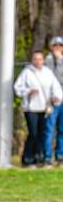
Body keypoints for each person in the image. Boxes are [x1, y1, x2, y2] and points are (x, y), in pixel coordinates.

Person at [14, 50, 63, 168]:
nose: (38, 61)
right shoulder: (27, 72)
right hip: (31, 108)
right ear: (32, 60)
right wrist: (28, 91)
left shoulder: (47, 73)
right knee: (33, 133)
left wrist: (57, 97)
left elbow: (55, 87)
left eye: (40, 59)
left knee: (42, 133)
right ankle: (27, 158)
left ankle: (38, 157)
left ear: (43, 60)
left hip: (44, 107)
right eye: (36, 59)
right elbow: (17, 88)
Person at [44, 36, 63, 165]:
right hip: (52, 99)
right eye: (55, 46)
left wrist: (60, 60)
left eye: (60, 46)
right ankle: (47, 156)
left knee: (62, 129)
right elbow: (49, 78)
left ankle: (60, 155)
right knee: (49, 129)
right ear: (51, 47)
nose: (58, 48)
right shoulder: (47, 60)